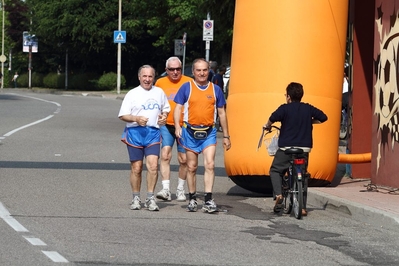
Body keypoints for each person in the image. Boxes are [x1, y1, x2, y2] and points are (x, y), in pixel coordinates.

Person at [174, 58, 231, 213]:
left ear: (209, 71)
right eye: (198, 70)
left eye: (205, 70)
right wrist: (178, 127)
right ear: (193, 72)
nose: (202, 73)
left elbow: (222, 113)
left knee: (210, 164)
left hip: (209, 132)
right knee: (191, 167)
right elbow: (178, 108)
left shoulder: (215, 90)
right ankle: (192, 198)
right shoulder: (186, 88)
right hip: (190, 132)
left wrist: (226, 136)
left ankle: (208, 199)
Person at [264, 82, 327, 216]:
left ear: (288, 96)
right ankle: (303, 208)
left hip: (286, 148)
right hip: (303, 149)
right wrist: (310, 121)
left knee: (275, 170)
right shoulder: (308, 108)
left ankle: (279, 194)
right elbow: (323, 117)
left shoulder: (284, 108)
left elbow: (272, 118)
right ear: (301, 95)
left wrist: (267, 126)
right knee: (302, 175)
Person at [118, 65, 171, 211]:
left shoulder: (159, 92)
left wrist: (163, 118)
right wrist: (136, 118)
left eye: (150, 76)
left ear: (154, 78)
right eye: (144, 76)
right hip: (135, 133)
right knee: (137, 167)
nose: (147, 79)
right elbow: (123, 115)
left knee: (153, 166)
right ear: (139, 77)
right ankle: (136, 197)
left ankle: (150, 197)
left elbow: (165, 110)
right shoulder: (132, 94)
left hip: (152, 133)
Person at [155, 57, 192, 202]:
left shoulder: (189, 82)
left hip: (184, 126)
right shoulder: (160, 83)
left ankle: (181, 189)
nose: (175, 72)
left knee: (183, 159)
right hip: (166, 125)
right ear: (166, 70)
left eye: (178, 69)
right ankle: (165, 189)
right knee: (165, 155)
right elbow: (155, 102)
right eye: (171, 69)